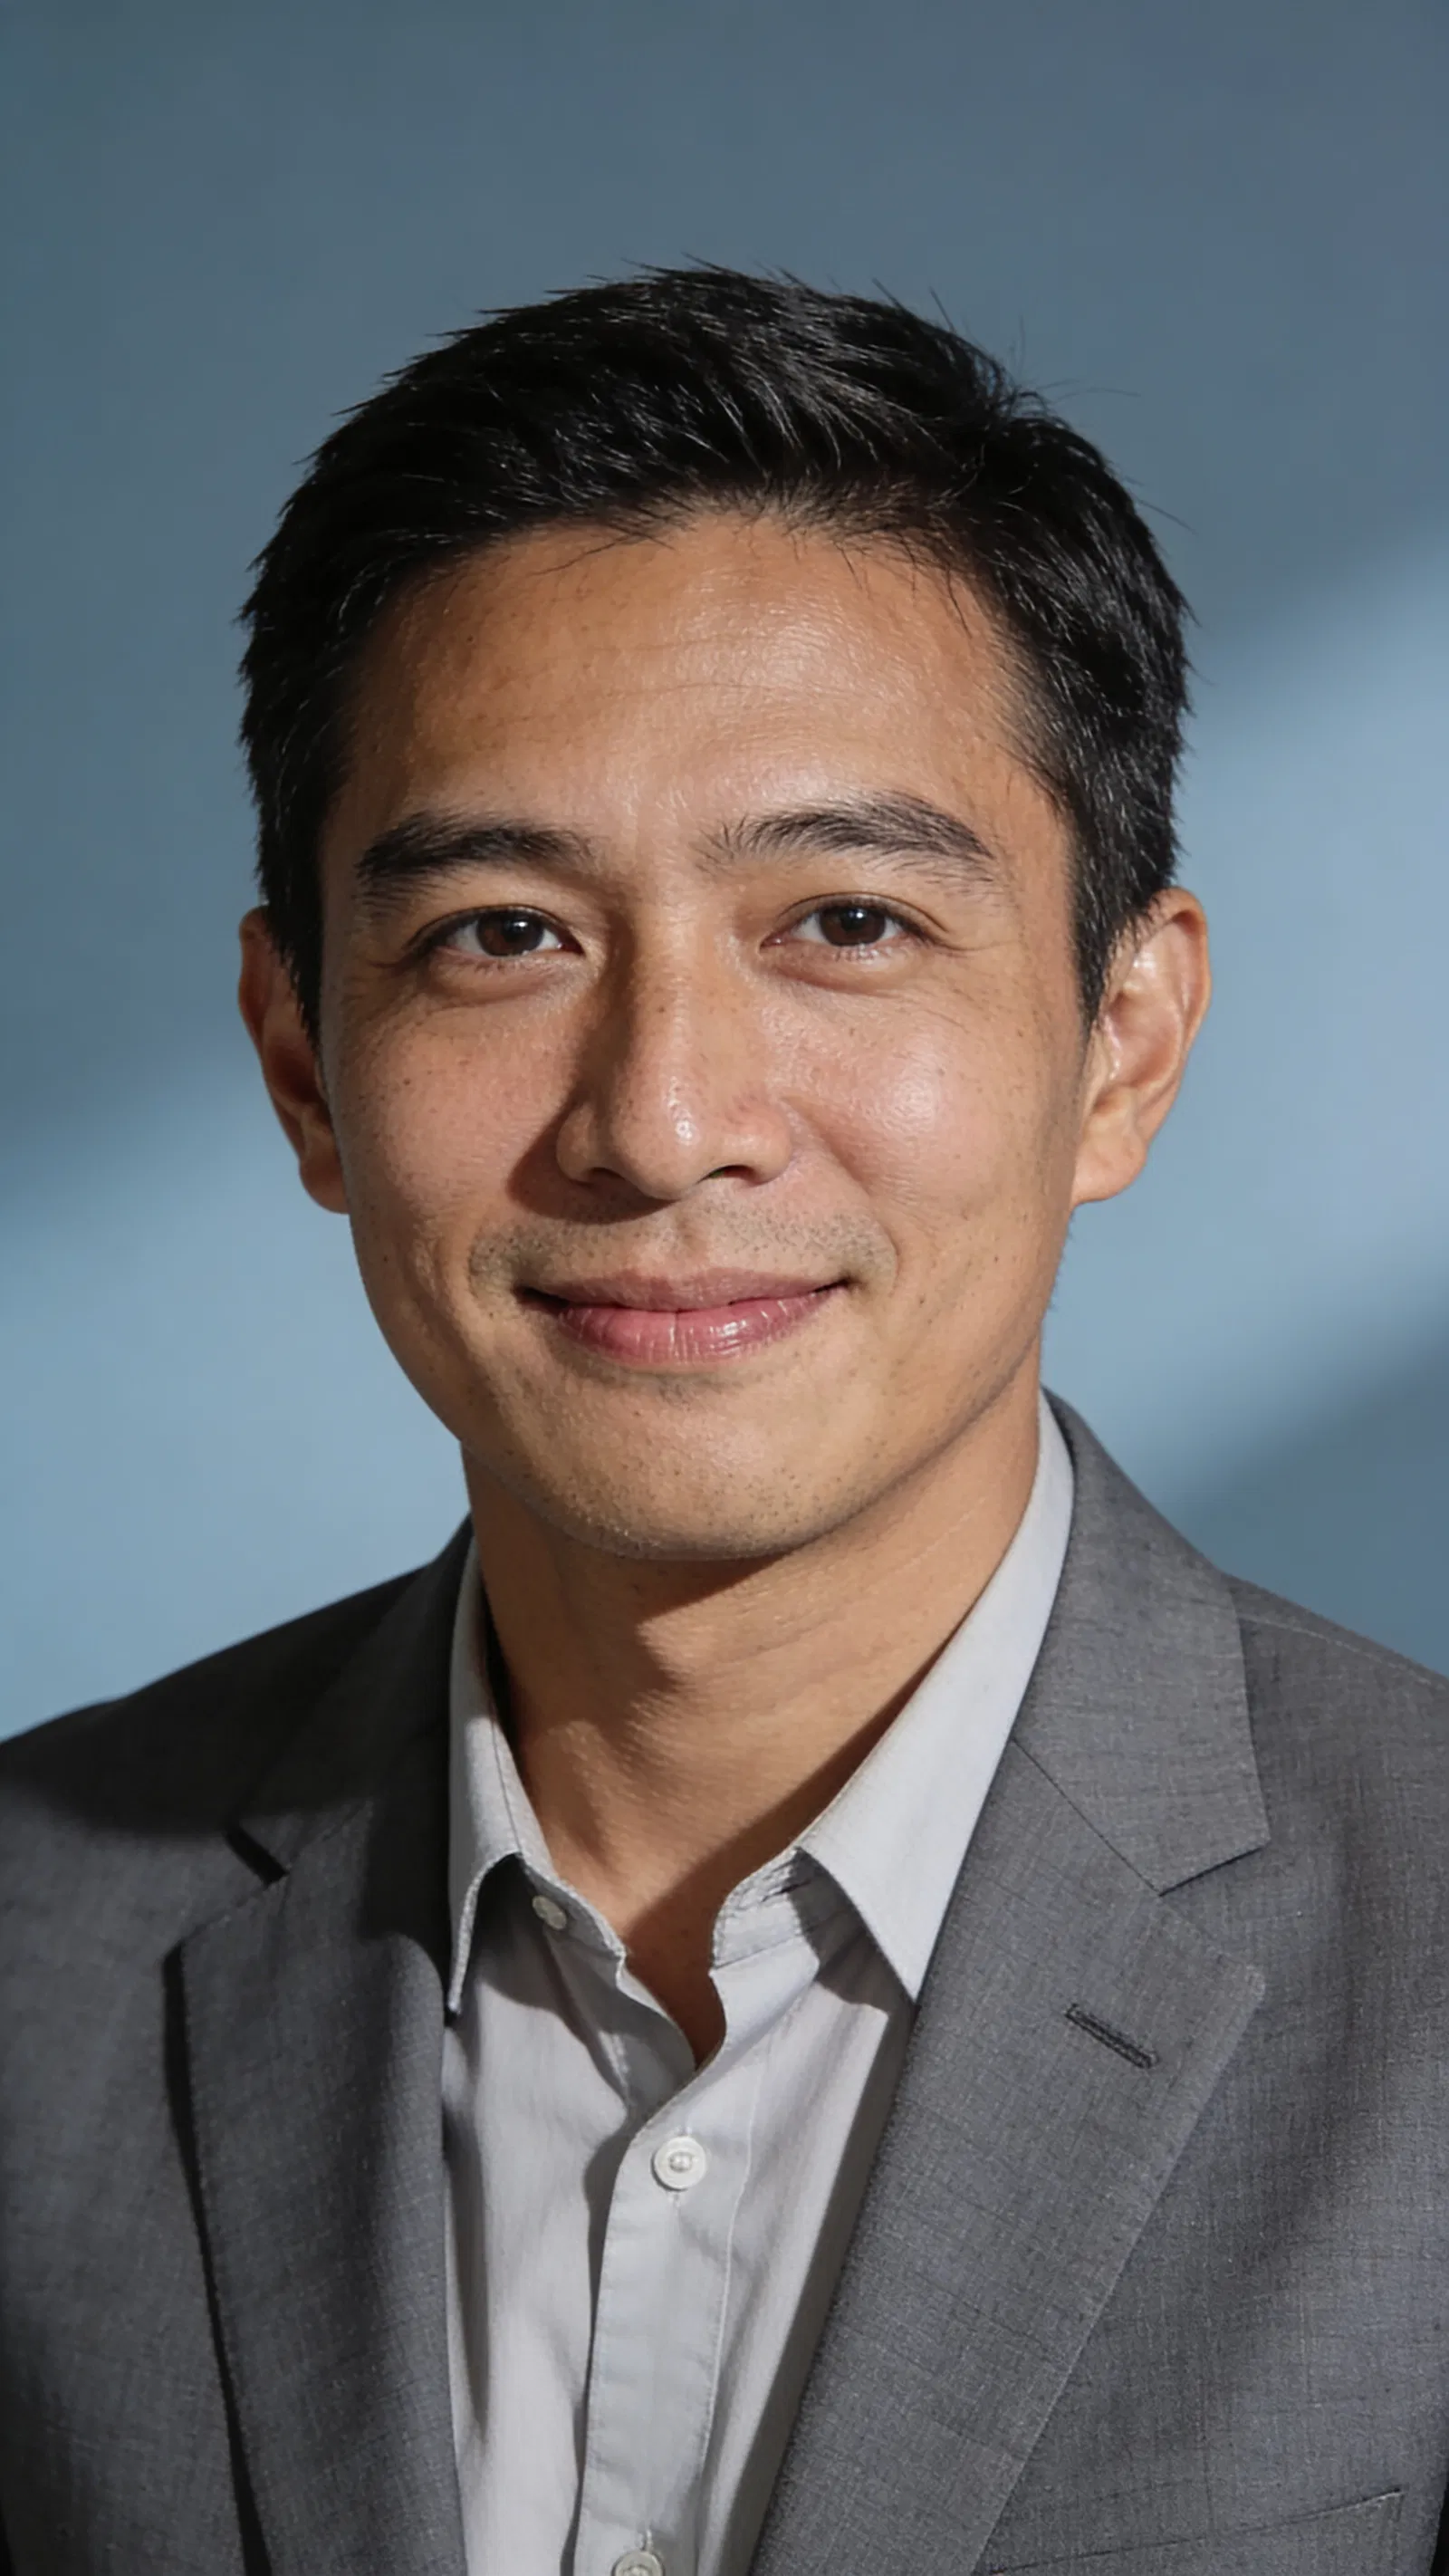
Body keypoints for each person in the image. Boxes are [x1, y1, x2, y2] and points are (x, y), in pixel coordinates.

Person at [1, 268, 1445, 2576]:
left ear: (1126, 1039)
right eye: (499, 933)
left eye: (846, 921)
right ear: (300, 1061)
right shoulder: (31, 1952)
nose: (662, 1123)